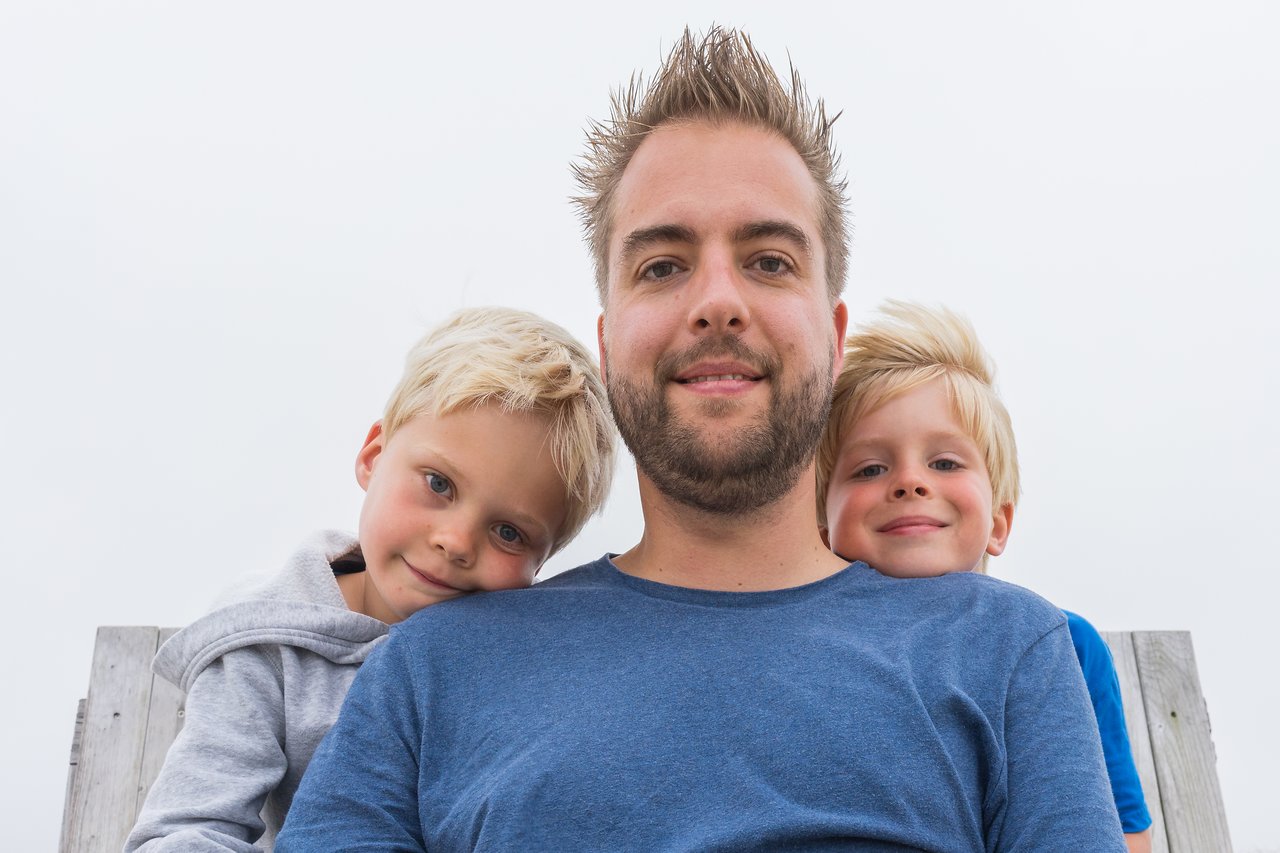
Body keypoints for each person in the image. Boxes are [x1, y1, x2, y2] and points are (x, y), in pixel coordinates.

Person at [278, 28, 1125, 851]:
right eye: (663, 265)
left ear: (834, 338)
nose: (717, 300)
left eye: (768, 261)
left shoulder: (1006, 651)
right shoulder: (434, 670)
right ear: (608, 347)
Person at [124, 306, 615, 851]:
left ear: (538, 566)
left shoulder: (525, 668)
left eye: (507, 532)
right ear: (372, 457)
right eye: (439, 483)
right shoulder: (266, 649)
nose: (455, 541)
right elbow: (187, 830)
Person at [815, 300, 1151, 850]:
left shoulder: (1061, 645)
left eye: (945, 462)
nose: (908, 482)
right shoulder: (802, 643)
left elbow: (1126, 833)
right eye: (870, 468)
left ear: (998, 521)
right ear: (822, 527)